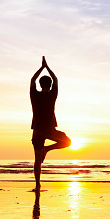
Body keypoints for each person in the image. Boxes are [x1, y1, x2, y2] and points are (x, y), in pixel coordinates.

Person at [30, 56, 71, 191]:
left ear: (41, 85)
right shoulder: (52, 95)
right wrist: (47, 67)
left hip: (37, 131)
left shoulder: (34, 95)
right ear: (49, 85)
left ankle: (37, 185)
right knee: (67, 142)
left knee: (37, 160)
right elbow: (56, 80)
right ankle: (47, 149)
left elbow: (32, 80)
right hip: (49, 130)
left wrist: (41, 68)